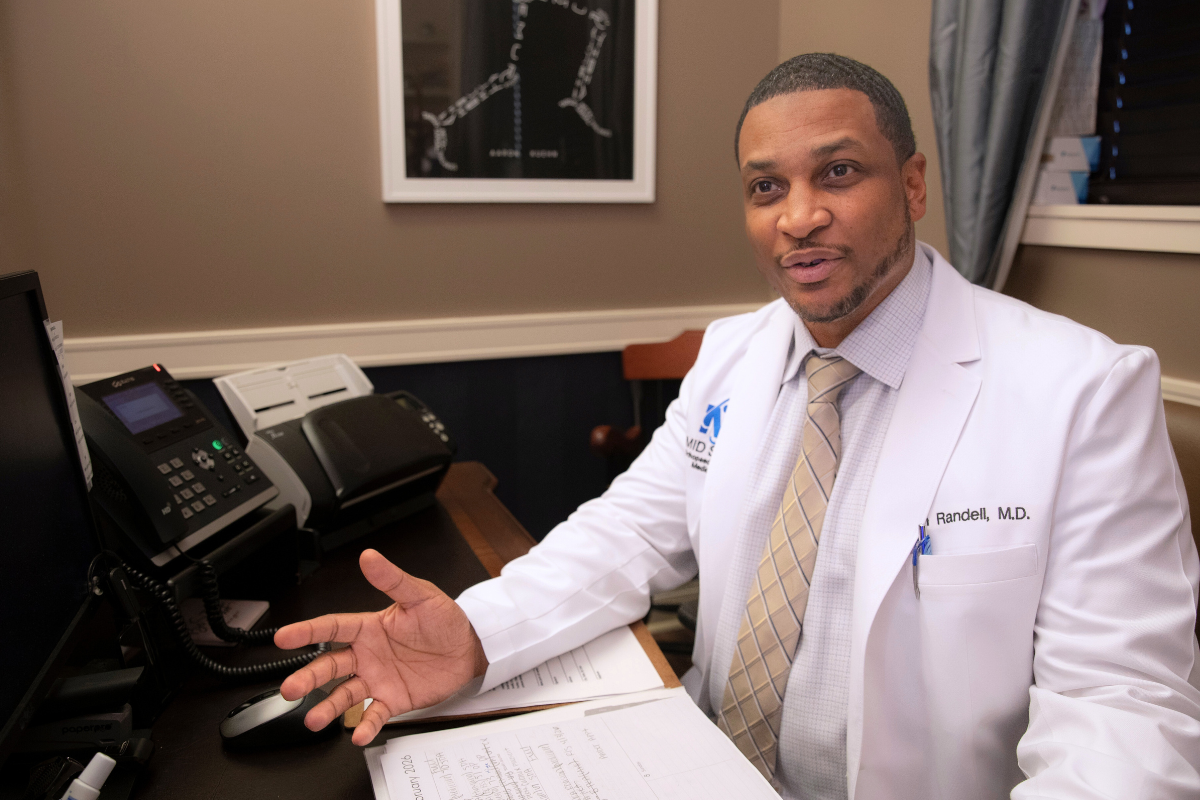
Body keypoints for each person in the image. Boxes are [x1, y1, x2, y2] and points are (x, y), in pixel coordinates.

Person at [275, 54, 1200, 798]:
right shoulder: (733, 354)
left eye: (838, 172)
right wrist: (476, 632)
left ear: (914, 185)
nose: (800, 217)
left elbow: (1124, 709)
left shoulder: (1082, 391)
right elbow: (627, 531)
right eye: (767, 188)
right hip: (699, 768)